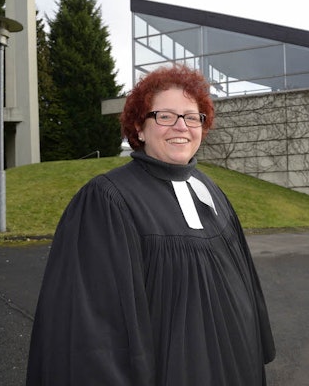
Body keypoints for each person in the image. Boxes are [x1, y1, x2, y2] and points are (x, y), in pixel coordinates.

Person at [26, 64, 275, 385]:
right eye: (165, 116)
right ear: (139, 128)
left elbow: (246, 287)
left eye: (191, 117)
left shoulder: (208, 189)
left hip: (234, 369)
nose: (181, 126)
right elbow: (93, 327)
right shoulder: (108, 200)